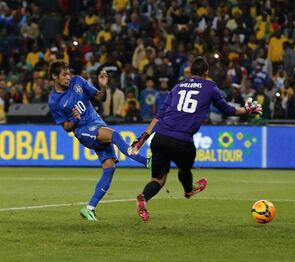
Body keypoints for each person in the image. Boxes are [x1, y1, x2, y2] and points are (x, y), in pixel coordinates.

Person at [128, 57, 262, 221]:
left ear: (190, 72)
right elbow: (226, 110)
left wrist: (143, 137)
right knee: (184, 170)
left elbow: (159, 116)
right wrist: (246, 110)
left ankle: (144, 198)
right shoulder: (210, 86)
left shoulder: (177, 87)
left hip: (160, 138)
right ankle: (188, 190)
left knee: (158, 179)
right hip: (182, 141)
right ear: (206, 73)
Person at [47, 60, 149, 221]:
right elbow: (66, 127)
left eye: (69, 73)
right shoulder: (54, 101)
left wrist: (103, 85)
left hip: (98, 124)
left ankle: (89, 208)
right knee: (115, 135)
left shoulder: (78, 82)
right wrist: (74, 119)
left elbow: (101, 97)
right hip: (83, 131)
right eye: (64, 74)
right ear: (54, 76)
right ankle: (147, 162)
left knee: (109, 167)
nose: (68, 77)